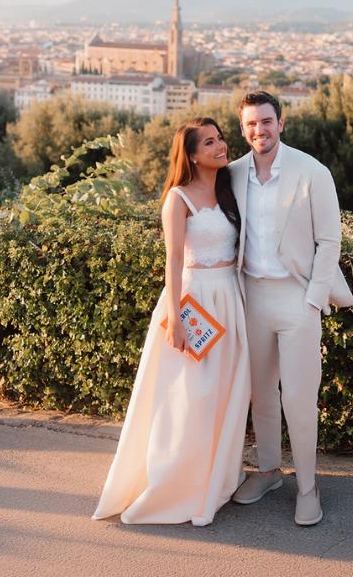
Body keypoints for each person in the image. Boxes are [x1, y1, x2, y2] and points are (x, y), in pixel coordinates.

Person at [93, 118, 250, 526]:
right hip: (194, 301)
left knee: (225, 394)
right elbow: (174, 261)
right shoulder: (177, 199)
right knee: (190, 397)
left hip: (229, 299)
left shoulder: (229, 189)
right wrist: (177, 320)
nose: (221, 146)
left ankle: (216, 477)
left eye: (221, 139)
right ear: (193, 154)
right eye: (210, 142)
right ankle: (177, 484)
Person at [228, 91, 353, 527]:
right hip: (251, 297)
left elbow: (330, 241)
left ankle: (308, 486)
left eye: (266, 121)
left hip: (298, 298)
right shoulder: (232, 174)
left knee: (300, 400)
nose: (259, 130)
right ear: (242, 129)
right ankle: (267, 472)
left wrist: (314, 299)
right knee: (260, 394)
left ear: (281, 123)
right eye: (250, 124)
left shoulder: (312, 171)